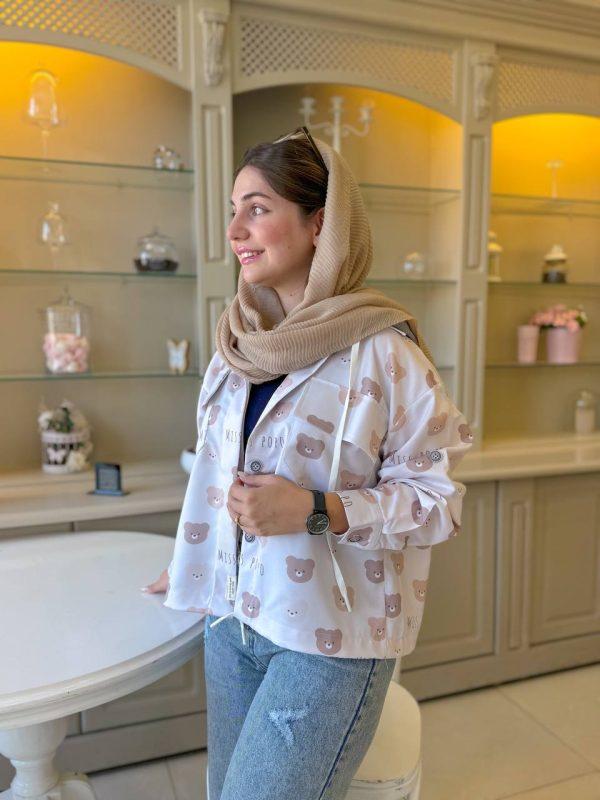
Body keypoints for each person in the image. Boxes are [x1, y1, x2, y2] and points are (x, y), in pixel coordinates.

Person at [144, 127, 473, 800]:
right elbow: (213, 476)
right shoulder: (236, 347)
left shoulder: (385, 353)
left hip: (332, 641)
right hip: (232, 622)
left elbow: (438, 502)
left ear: (321, 223)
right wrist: (194, 560)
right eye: (233, 209)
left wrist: (315, 511)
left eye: (258, 208)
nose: (235, 230)